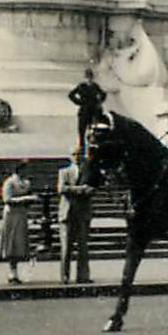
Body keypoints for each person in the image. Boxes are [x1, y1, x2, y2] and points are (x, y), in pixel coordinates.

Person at [55, 152, 93, 284]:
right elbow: (61, 188)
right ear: (70, 157)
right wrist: (79, 190)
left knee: (83, 246)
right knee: (66, 247)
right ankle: (65, 276)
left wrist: (88, 190)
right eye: (74, 154)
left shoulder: (87, 171)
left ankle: (83, 275)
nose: (77, 156)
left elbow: (93, 188)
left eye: (79, 154)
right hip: (68, 213)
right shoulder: (64, 172)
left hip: (83, 212)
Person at [0, 161, 38, 284]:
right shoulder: (9, 182)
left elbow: (28, 196)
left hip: (21, 215)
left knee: (19, 243)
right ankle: (12, 272)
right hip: (11, 215)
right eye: (24, 169)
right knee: (12, 243)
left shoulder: (26, 183)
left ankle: (15, 271)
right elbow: (7, 199)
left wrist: (32, 200)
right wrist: (26, 198)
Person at [68, 68, 107, 155]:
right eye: (88, 77)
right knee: (81, 131)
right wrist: (79, 102)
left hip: (93, 112)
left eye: (90, 77)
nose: (89, 79)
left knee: (92, 131)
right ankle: (82, 148)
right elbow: (71, 95)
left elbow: (103, 94)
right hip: (84, 111)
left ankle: (91, 150)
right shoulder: (82, 86)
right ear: (85, 78)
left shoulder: (95, 86)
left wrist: (99, 102)